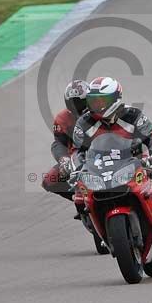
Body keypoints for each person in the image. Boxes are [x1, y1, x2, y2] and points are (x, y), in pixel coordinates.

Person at [72, 76, 152, 233]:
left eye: (101, 101)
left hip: (133, 160)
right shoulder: (84, 122)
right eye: (93, 101)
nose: (96, 105)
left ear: (115, 99)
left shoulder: (133, 115)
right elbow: (77, 150)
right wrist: (77, 168)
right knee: (78, 196)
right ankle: (96, 229)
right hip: (98, 166)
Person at [42, 80, 89, 218]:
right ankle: (81, 199)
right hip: (78, 158)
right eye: (73, 103)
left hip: (103, 153)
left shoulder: (99, 112)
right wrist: (64, 160)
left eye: (80, 102)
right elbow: (58, 143)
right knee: (49, 180)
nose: (77, 106)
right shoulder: (63, 119)